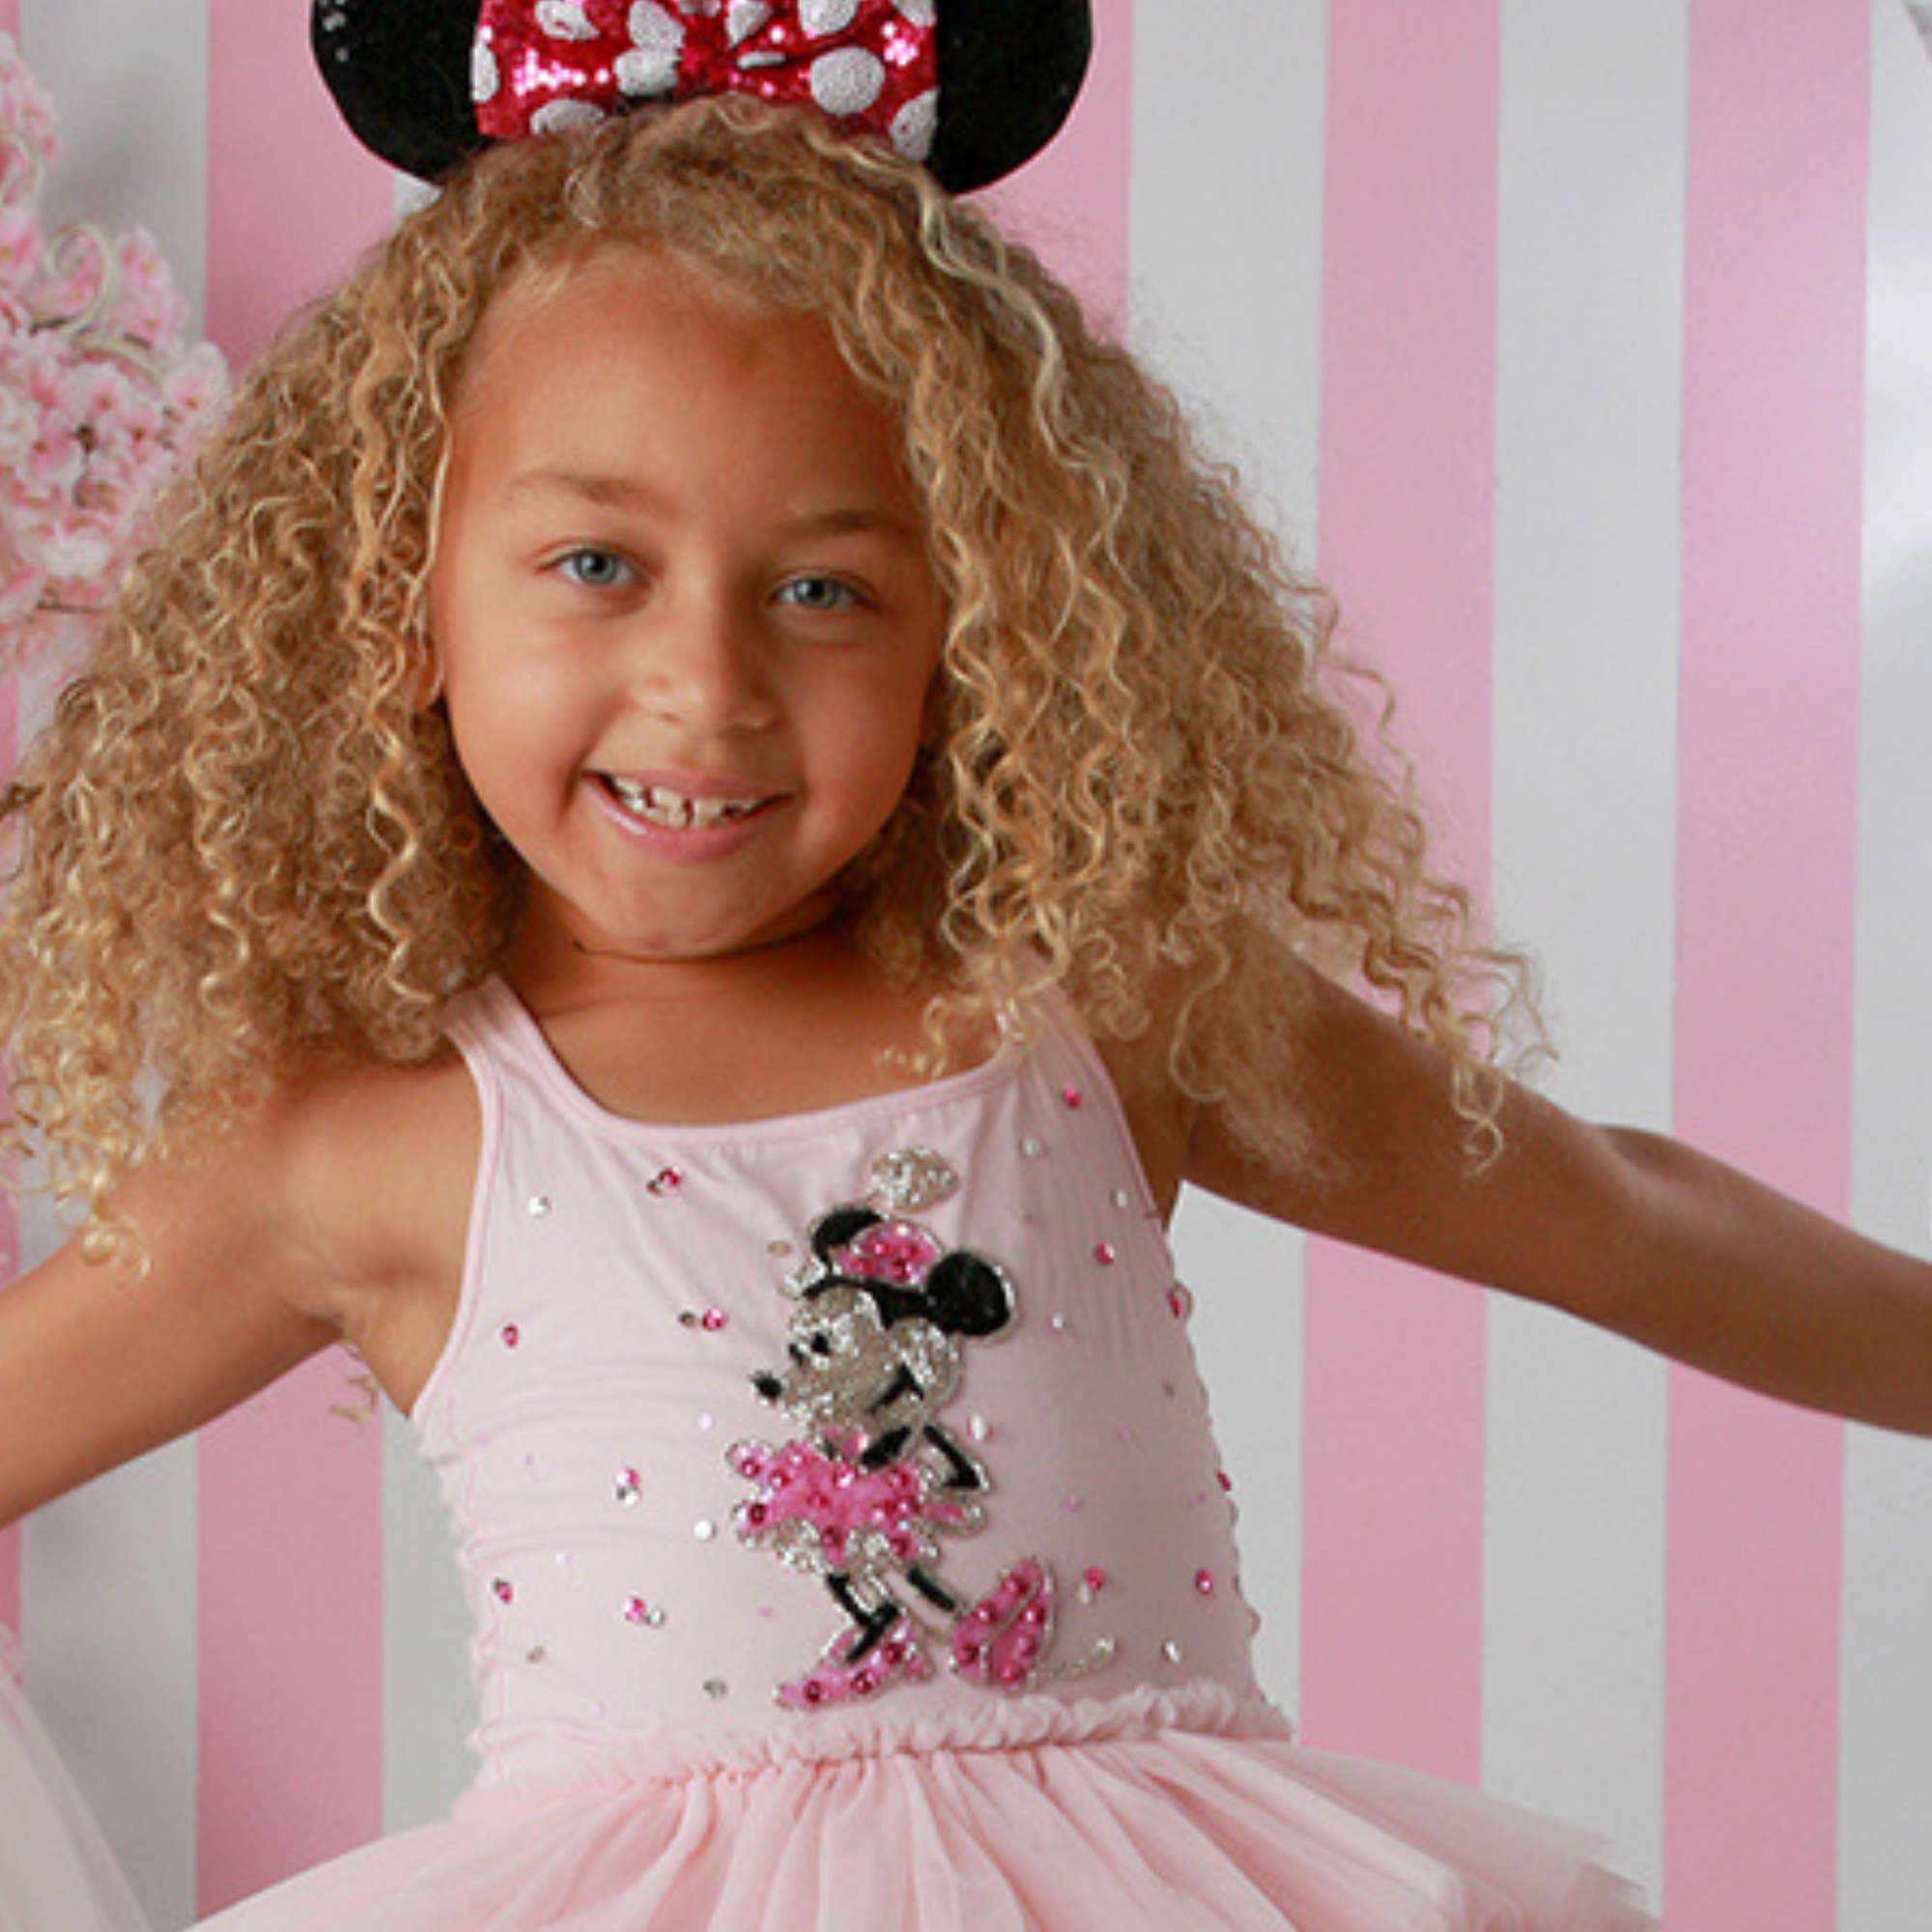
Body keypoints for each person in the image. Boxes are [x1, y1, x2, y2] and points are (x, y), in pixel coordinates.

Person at [0, 6, 1928, 1927]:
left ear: (974, 635)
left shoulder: (1102, 1015)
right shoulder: (363, 1146)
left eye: (825, 588)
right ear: (398, 601)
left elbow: (1613, 1209)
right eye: (596, 564)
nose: (707, 686)